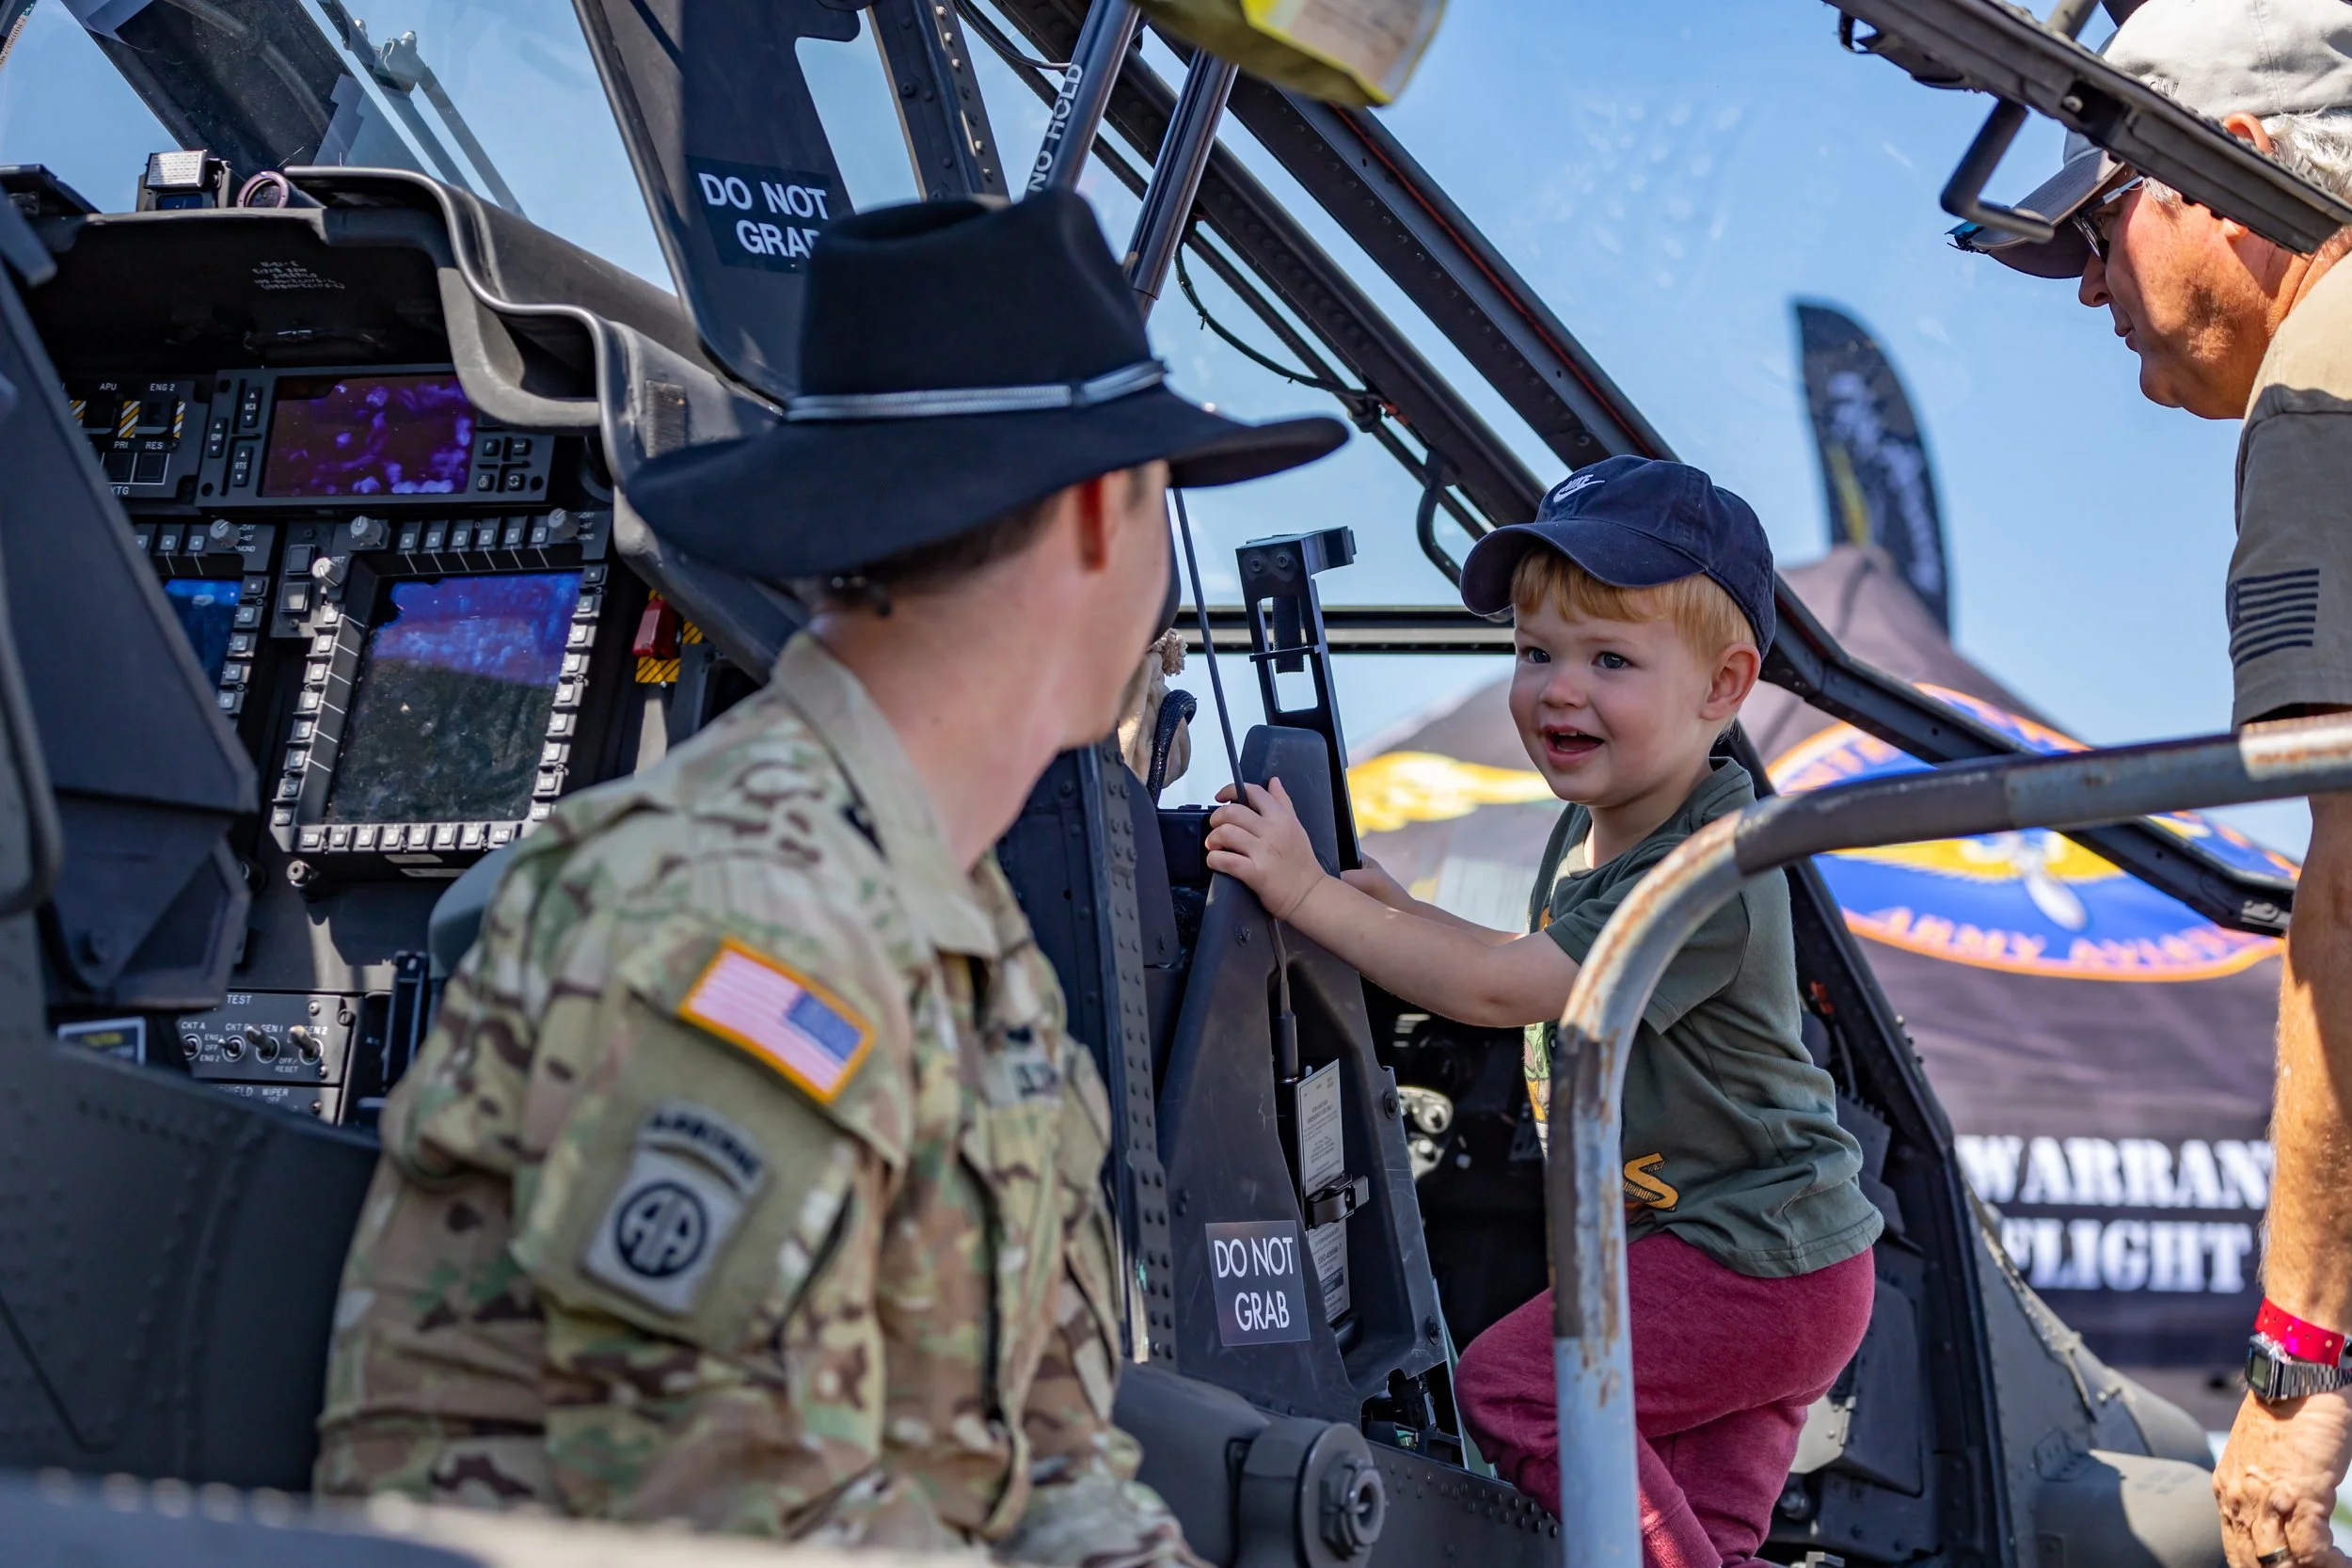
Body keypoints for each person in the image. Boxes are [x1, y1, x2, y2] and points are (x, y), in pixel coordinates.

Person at [311, 191, 1345, 1560]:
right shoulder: (738, 908)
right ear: (1104, 518)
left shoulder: (960, 932)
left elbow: (1041, 1454)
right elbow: (714, 1499)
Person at [1204, 456, 1882, 1568]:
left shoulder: (1709, 865)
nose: (1557, 688)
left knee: (1522, 1388)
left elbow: (1498, 989)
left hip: (1753, 1259)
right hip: (1740, 1252)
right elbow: (1526, 959)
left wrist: (1308, 894)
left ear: (1723, 686)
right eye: (1534, 653)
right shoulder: (1601, 830)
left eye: (1608, 658)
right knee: (1703, 1543)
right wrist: (1404, 913)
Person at [1951, 5, 2352, 1562]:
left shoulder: (2328, 368)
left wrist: (2298, 1361)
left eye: (2102, 225)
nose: (2090, 289)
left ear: (2233, 174)